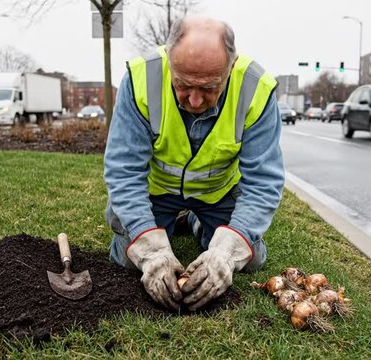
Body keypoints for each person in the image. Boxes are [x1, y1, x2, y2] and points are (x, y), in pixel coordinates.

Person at [104, 16, 284, 311]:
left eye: (210, 87)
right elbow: (124, 171)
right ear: (170, 61)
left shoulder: (256, 89)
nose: (196, 100)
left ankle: (197, 223)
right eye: (183, 85)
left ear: (231, 66)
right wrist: (150, 252)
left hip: (216, 193)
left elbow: (264, 183)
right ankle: (168, 223)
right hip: (157, 192)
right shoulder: (141, 79)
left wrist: (226, 253)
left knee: (251, 261)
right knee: (127, 259)